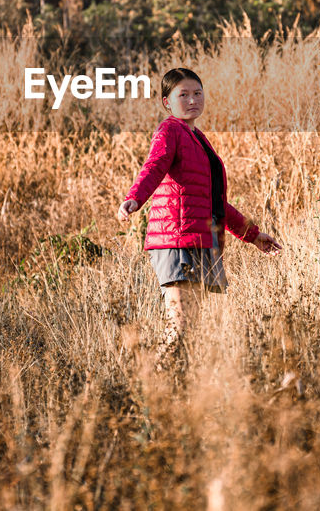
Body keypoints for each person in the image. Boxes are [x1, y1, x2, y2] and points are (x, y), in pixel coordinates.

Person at [116, 67, 281, 371]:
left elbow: (213, 202)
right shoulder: (170, 131)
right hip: (177, 239)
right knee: (179, 327)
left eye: (197, 93)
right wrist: (135, 198)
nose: (192, 100)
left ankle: (176, 389)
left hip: (201, 242)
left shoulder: (199, 139)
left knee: (191, 331)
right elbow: (154, 165)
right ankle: (150, 384)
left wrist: (252, 234)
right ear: (167, 102)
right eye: (183, 95)